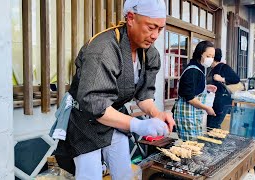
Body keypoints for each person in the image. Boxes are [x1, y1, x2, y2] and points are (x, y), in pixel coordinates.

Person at [54, 1, 175, 179]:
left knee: (123, 173)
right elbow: (95, 104)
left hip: (115, 116)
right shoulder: (103, 49)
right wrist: (138, 124)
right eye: (151, 27)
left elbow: (144, 95)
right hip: (85, 120)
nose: (155, 35)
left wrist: (157, 114)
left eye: (160, 29)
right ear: (131, 18)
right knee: (91, 175)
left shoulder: (149, 53)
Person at [173, 41, 217, 141]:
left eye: (213, 56)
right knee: (190, 144)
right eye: (208, 55)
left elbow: (193, 87)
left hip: (193, 113)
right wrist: (207, 108)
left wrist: (206, 87)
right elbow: (189, 97)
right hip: (187, 114)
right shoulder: (192, 70)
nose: (211, 59)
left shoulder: (198, 68)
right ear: (200, 54)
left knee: (195, 142)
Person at [207, 48, 240, 128]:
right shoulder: (210, 69)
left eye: (209, 56)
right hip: (213, 101)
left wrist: (222, 79)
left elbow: (236, 79)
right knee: (210, 124)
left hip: (222, 102)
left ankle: (217, 139)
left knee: (213, 124)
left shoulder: (224, 67)